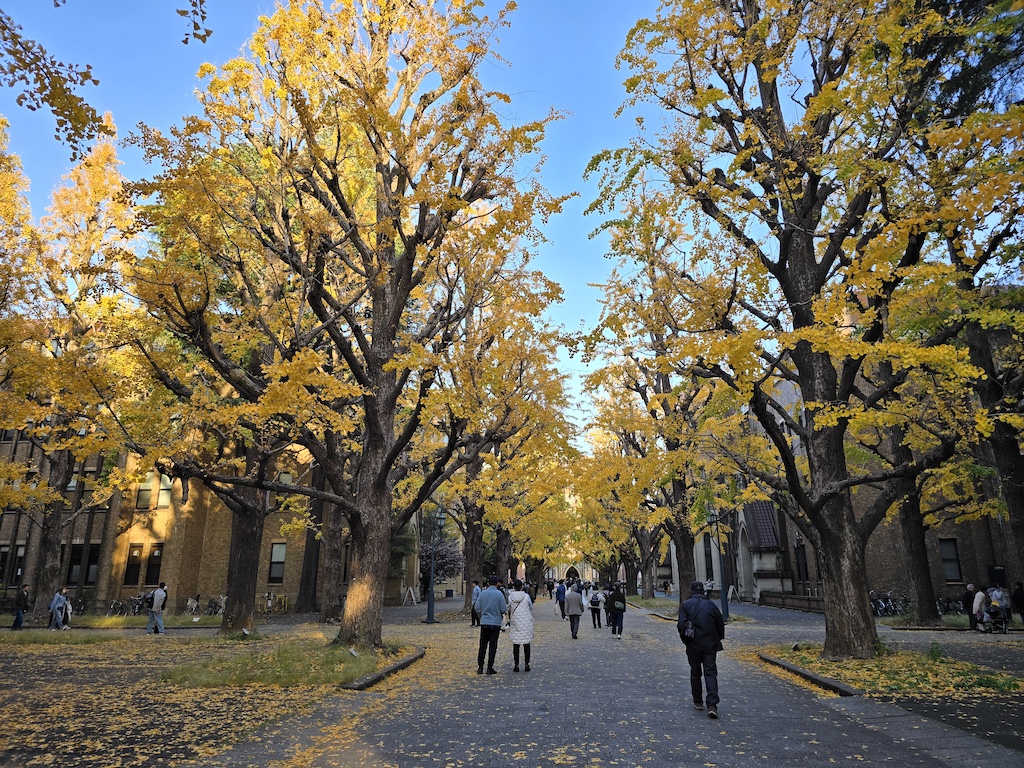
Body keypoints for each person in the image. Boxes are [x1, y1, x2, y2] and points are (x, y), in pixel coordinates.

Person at [678, 580, 726, 719]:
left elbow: (681, 625)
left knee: (695, 672)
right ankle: (712, 704)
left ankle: (698, 701)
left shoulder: (686, 605)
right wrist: (718, 638)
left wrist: (686, 640)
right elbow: (719, 624)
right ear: (703, 591)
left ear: (691, 591)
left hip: (693, 644)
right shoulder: (711, 605)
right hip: (710, 644)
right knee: (710, 672)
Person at [475, 575, 507, 675]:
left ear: (488, 583)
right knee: (493, 646)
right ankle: (490, 667)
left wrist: (482, 614)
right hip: (495, 623)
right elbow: (503, 609)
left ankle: (480, 667)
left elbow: (477, 607)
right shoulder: (499, 594)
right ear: (497, 583)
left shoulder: (483, 594)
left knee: (482, 645)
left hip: (484, 622)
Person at [507, 579, 534, 672]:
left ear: (514, 587)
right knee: (526, 644)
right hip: (526, 621)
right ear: (522, 586)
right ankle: (527, 664)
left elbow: (509, 608)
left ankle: (516, 665)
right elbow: (531, 606)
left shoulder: (510, 597)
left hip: (515, 622)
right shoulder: (526, 596)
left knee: (516, 644)